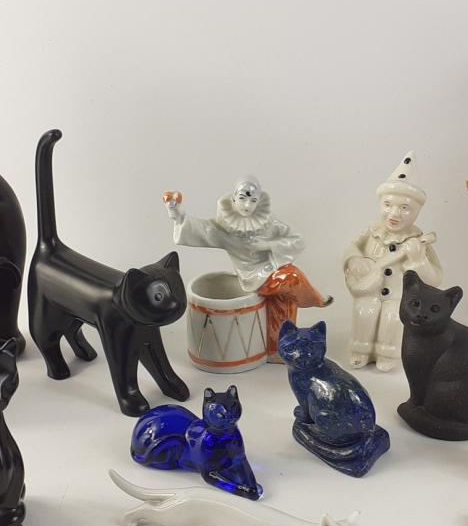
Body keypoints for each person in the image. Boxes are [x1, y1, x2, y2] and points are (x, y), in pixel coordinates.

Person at [164, 177, 330, 360]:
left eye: (253, 200)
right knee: (291, 276)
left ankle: (277, 348)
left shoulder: (269, 223)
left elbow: (297, 241)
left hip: (272, 266)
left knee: (284, 298)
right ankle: (314, 299)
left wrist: (267, 245)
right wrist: (177, 213)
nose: (247, 205)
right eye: (242, 198)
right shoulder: (224, 227)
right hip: (252, 276)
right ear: (234, 198)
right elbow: (200, 229)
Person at [343, 151, 442, 371]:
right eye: (388, 205)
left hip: (398, 295)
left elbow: (435, 280)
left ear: (416, 212)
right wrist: (353, 259)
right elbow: (352, 247)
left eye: (404, 208)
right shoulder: (371, 231)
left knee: (393, 318)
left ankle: (387, 353)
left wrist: (418, 260)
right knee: (364, 313)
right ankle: (360, 350)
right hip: (368, 290)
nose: (394, 214)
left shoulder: (418, 240)